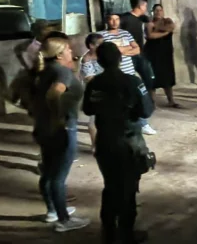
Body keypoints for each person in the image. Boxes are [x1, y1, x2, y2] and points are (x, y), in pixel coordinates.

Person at [83, 42, 154, 244]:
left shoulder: (94, 83)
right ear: (120, 58)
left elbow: (87, 109)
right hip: (128, 141)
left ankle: (108, 233)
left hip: (105, 141)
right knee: (128, 189)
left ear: (99, 61)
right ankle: (126, 234)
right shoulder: (133, 81)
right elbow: (146, 111)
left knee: (110, 186)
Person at [30, 37, 90, 232]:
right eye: (68, 49)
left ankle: (53, 211)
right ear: (58, 54)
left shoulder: (44, 70)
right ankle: (64, 220)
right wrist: (58, 117)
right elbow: (55, 93)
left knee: (48, 172)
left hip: (43, 127)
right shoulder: (61, 72)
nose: (71, 52)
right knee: (58, 177)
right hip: (61, 127)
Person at [100, 14, 157, 136]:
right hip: (114, 73)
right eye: (111, 19)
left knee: (136, 99)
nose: (114, 22)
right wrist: (126, 49)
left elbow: (137, 49)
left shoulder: (125, 33)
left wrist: (119, 50)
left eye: (117, 19)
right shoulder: (101, 35)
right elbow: (109, 51)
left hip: (129, 72)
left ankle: (144, 124)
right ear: (107, 21)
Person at [145, 4, 179, 108]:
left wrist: (157, 28)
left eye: (160, 10)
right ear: (153, 12)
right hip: (153, 54)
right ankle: (152, 103)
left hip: (166, 54)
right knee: (153, 79)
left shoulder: (167, 21)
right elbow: (150, 35)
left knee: (167, 78)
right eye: (156, 10)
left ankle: (171, 101)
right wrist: (165, 32)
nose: (158, 12)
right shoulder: (149, 24)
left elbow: (171, 27)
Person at [80, 33, 104, 152]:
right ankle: (95, 145)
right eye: (100, 44)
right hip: (95, 92)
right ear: (91, 45)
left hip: (106, 90)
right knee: (93, 121)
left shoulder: (103, 55)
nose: (103, 46)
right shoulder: (86, 59)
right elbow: (89, 78)